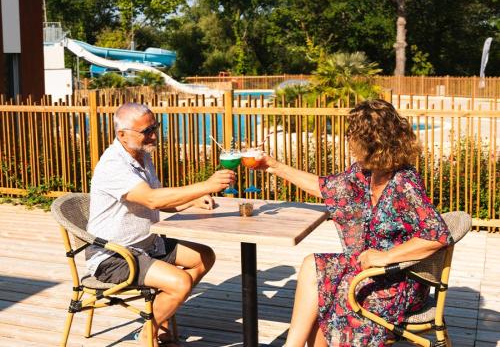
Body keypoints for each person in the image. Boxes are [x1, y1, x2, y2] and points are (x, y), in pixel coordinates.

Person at [255, 99, 452, 346]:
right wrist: (274, 166)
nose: (348, 141)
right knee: (312, 268)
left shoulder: (404, 183)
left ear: (371, 141)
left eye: (352, 135)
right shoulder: (366, 172)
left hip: (398, 281)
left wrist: (385, 256)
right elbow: (324, 187)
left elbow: (437, 235)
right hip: (368, 269)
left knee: (326, 304)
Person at [86, 103, 235, 347]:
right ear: (121, 134)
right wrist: (206, 186)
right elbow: (152, 198)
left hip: (147, 244)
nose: (154, 135)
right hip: (114, 256)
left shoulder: (142, 156)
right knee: (180, 282)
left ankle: (160, 325)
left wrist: (192, 200)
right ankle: (147, 335)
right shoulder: (114, 164)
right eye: (146, 131)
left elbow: (158, 200)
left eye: (155, 127)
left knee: (204, 256)